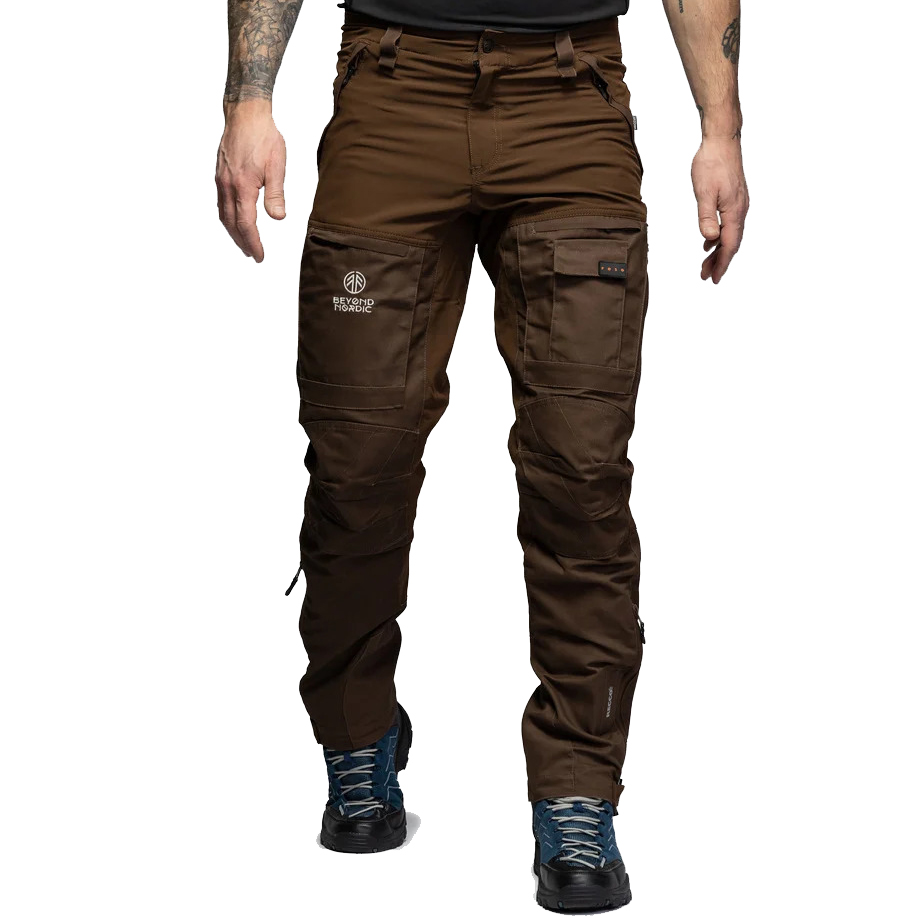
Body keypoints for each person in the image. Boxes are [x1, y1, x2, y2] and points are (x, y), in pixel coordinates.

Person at [216, 0, 748, 911]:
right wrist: (247, 103)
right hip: (393, 89)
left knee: (579, 475)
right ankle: (358, 738)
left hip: (570, 100)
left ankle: (577, 791)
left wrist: (720, 128)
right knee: (356, 460)